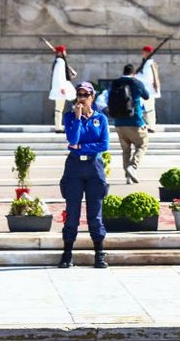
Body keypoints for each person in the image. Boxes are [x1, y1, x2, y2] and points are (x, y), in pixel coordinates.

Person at [59, 81, 110, 270]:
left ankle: (99, 253)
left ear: (92, 97)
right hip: (74, 168)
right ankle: (67, 253)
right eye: (79, 95)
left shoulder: (100, 119)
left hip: (94, 167)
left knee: (95, 213)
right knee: (72, 211)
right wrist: (78, 118)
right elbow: (72, 139)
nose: (81, 99)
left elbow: (103, 144)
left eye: (85, 95)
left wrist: (82, 147)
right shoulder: (70, 117)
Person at [109, 63, 151, 185]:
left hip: (118, 122)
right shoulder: (136, 83)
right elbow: (146, 96)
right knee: (142, 145)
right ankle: (133, 167)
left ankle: (128, 176)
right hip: (135, 121)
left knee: (126, 149)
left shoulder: (115, 83)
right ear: (133, 73)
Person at [48, 45, 76, 133]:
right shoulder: (60, 62)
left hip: (60, 87)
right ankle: (58, 127)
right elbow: (59, 76)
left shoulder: (59, 61)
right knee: (59, 108)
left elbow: (63, 76)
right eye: (64, 51)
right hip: (61, 87)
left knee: (59, 108)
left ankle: (58, 126)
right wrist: (62, 87)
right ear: (60, 52)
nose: (65, 52)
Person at [136, 45, 161, 132]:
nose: (143, 53)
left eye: (144, 51)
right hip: (144, 90)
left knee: (149, 109)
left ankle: (151, 126)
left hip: (148, 90)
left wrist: (135, 77)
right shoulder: (146, 63)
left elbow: (148, 78)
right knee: (141, 108)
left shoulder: (149, 63)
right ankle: (145, 125)